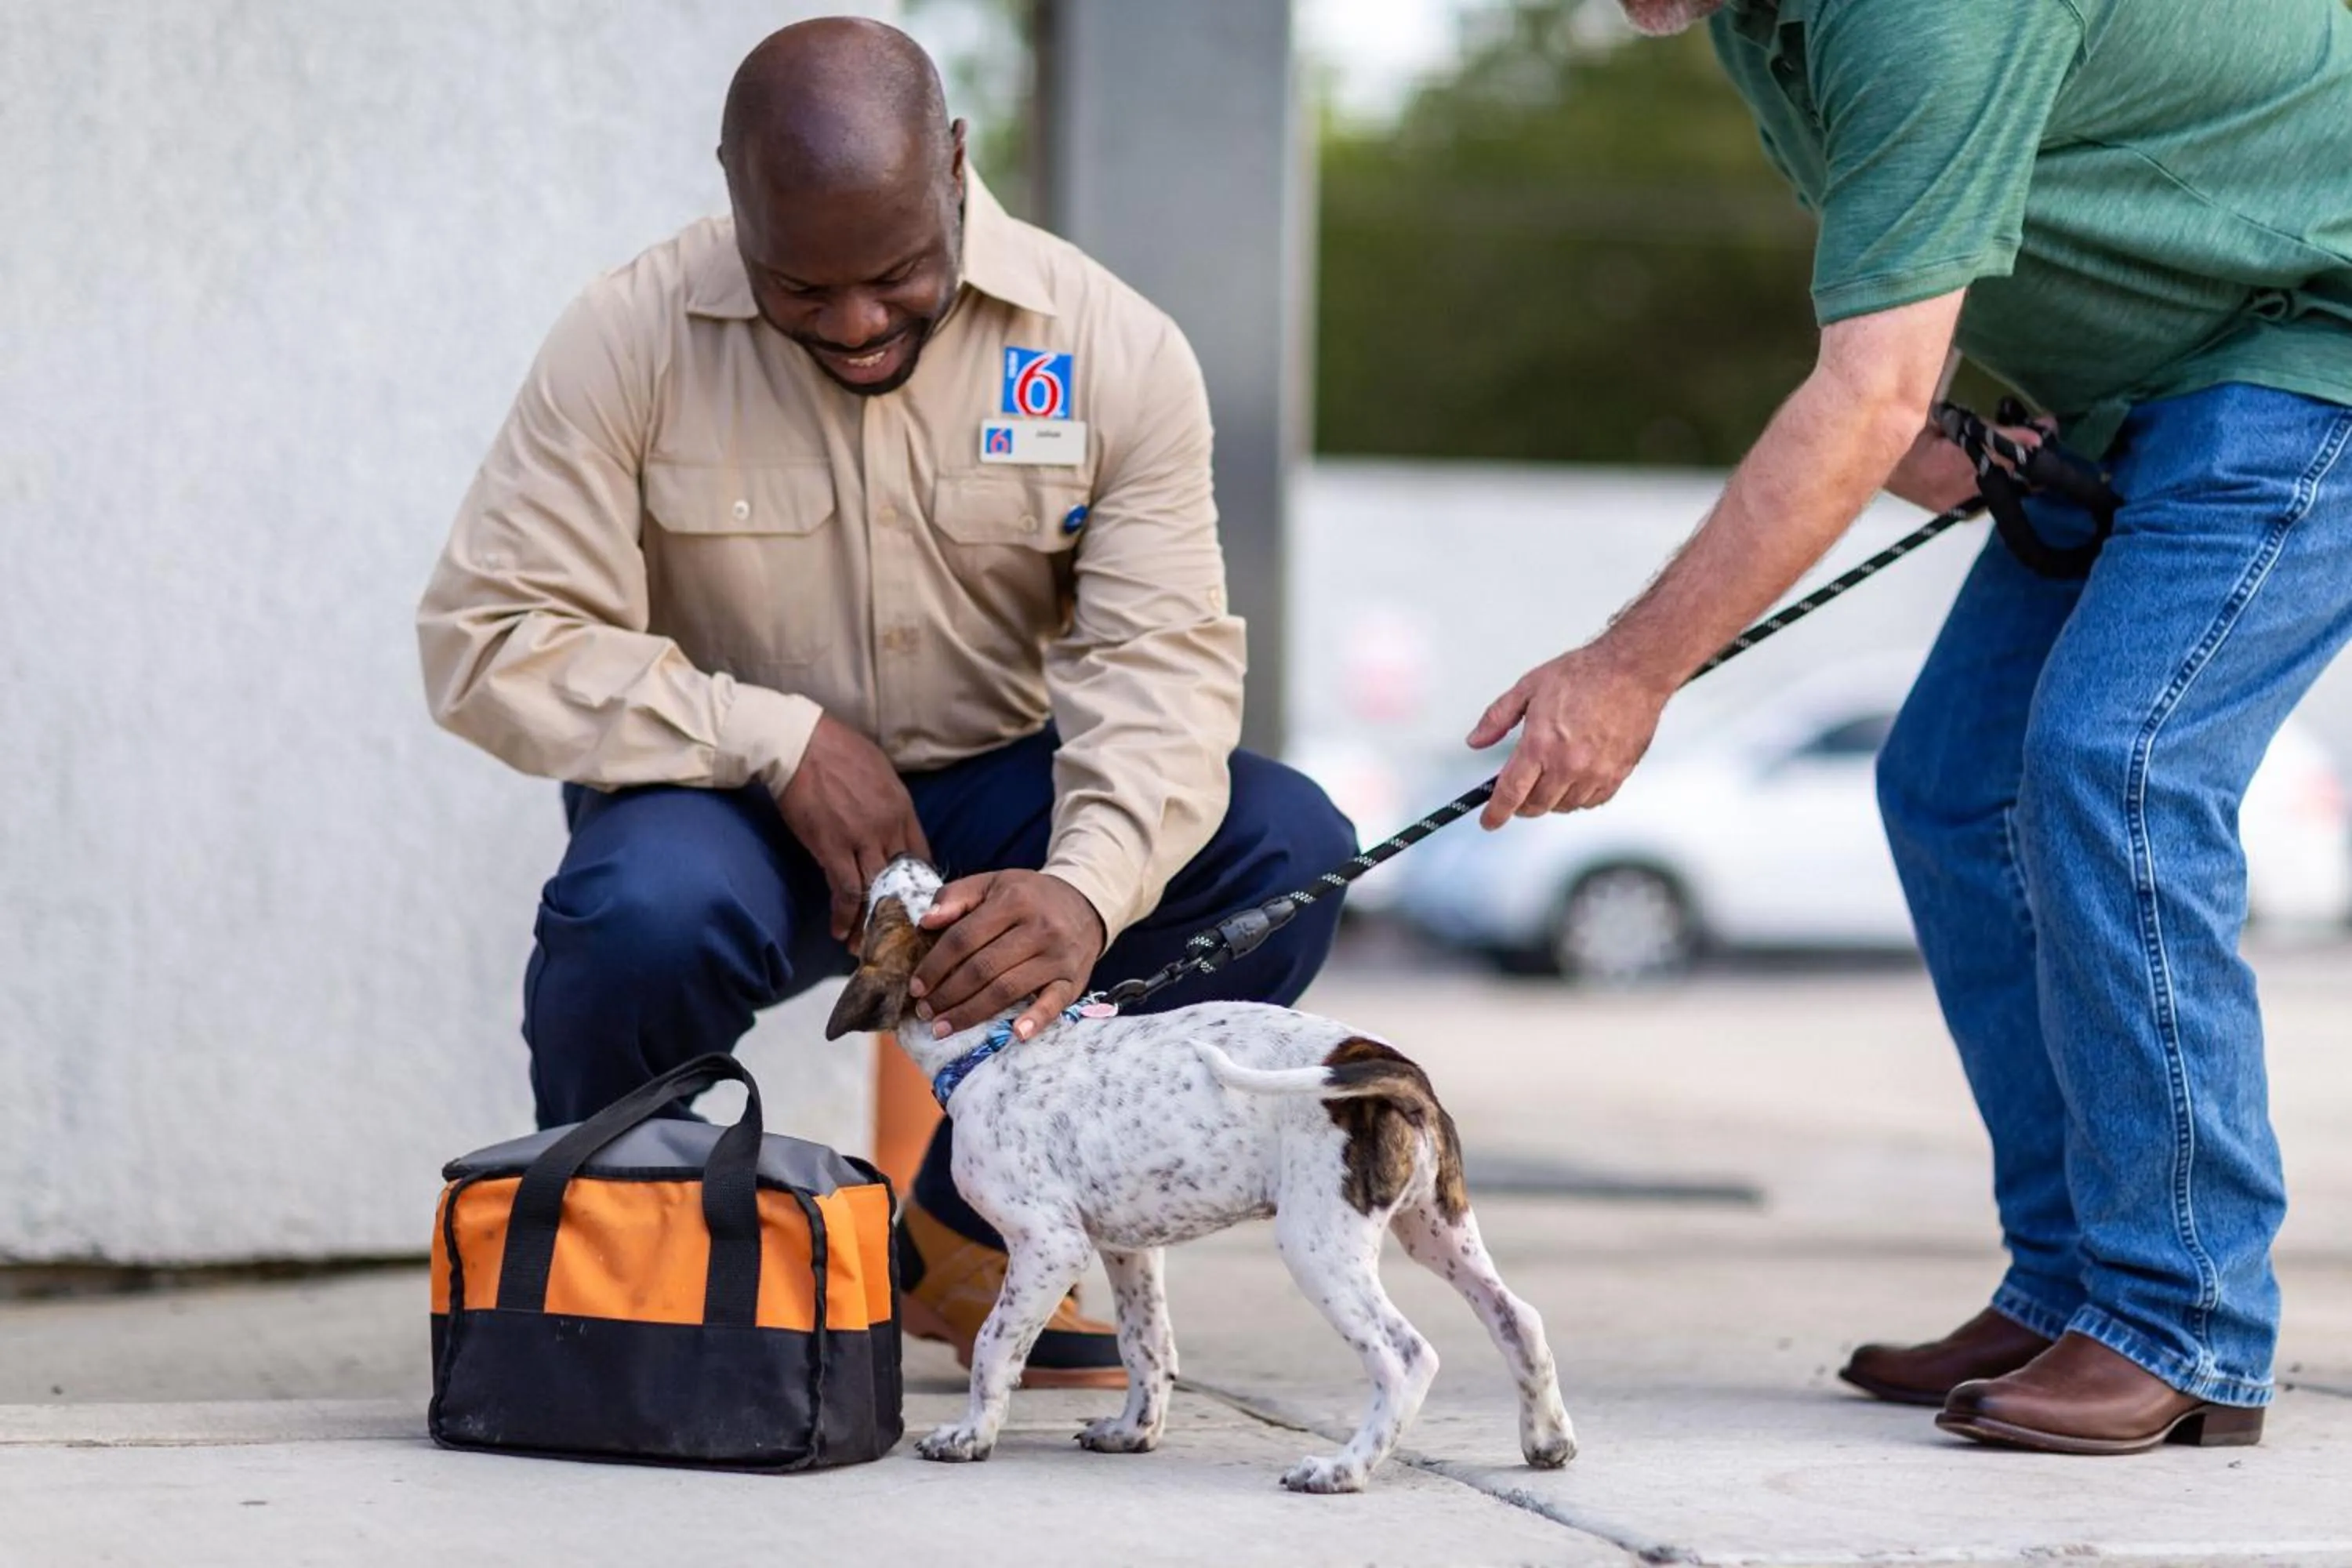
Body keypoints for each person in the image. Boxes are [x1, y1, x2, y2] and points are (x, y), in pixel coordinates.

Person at [416, 17, 1354, 1387]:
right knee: (635, 917)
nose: (855, 324)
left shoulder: (1114, 348)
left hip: (996, 806)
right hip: (729, 807)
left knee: (1286, 850)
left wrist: (1087, 890)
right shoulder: (627, 336)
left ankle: (970, 1235)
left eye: (898, 273)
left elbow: (1159, 668)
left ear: (958, 167)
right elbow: (486, 639)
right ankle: (632, 1281)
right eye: (801, 288)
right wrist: (775, 738)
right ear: (733, 197)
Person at [1475, 0, 2352, 1452]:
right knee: (1955, 785)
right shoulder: (1753, 24)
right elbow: (1907, 315)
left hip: (2306, 353)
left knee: (2112, 761)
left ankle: (2182, 1316)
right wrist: (1950, 428)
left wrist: (1631, 672)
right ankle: (2078, 1276)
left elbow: (1865, 390)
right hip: (2142, 391)